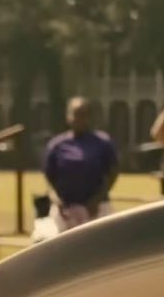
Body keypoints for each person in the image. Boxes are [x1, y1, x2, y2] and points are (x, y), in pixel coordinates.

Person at [42, 96, 119, 232]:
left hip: (95, 209)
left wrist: (97, 199)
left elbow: (113, 172)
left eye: (83, 115)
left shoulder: (103, 143)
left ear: (89, 117)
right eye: (75, 114)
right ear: (68, 117)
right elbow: (49, 177)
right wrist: (56, 200)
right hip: (65, 210)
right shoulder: (56, 145)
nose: (79, 119)